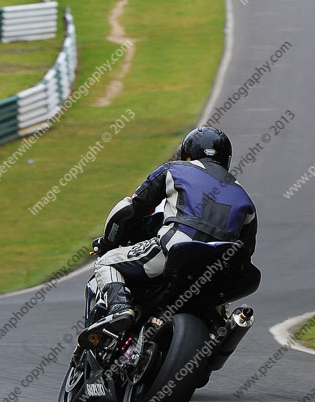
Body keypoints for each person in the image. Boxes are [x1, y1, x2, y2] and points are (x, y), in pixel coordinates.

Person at [80, 126, 259, 341]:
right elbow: (247, 249)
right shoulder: (245, 198)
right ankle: (219, 336)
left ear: (188, 155)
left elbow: (129, 209)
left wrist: (109, 242)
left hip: (177, 249)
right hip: (221, 269)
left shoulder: (175, 169)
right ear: (226, 160)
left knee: (107, 262)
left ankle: (120, 308)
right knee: (219, 316)